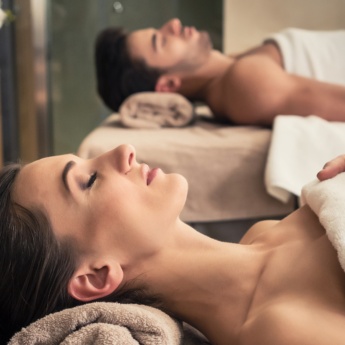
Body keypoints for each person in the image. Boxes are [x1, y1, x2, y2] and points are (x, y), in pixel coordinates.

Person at [1, 144, 345, 344]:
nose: (123, 151)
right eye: (89, 180)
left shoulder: (265, 233)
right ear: (96, 276)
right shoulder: (280, 329)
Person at [95, 18, 345, 126]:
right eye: (161, 40)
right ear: (169, 84)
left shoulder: (233, 67)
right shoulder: (245, 83)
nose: (173, 24)